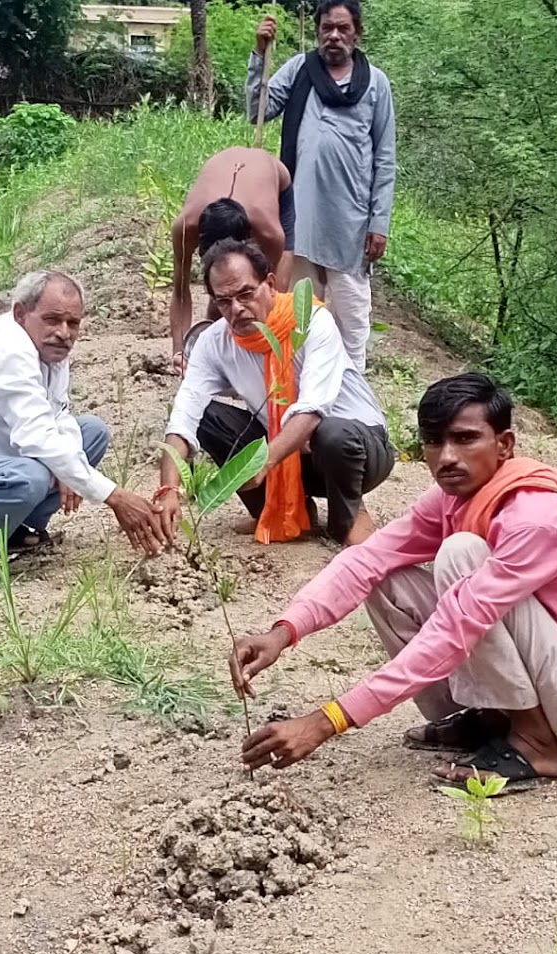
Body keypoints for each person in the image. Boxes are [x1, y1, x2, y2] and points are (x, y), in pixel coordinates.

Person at [230, 373, 557, 789]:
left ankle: (535, 744)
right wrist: (283, 631)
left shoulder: (535, 518)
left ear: (504, 445)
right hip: (552, 678)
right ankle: (492, 720)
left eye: (465, 438)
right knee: (387, 577)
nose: (447, 457)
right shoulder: (456, 499)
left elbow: (454, 629)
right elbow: (366, 560)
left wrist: (327, 721)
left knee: (462, 555)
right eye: (434, 442)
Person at [0, 269, 167, 578]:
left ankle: (11, 528)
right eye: (52, 319)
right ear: (21, 314)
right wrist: (116, 497)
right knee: (30, 475)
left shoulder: (49, 350)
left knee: (90, 434)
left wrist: (70, 462)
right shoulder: (7, 349)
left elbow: (58, 415)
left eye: (73, 323)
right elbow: (36, 436)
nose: (64, 332)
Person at [159, 239, 393, 548]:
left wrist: (261, 465)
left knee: (332, 433)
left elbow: (312, 411)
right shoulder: (213, 342)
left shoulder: (311, 321)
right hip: (289, 452)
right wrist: (169, 490)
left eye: (246, 294)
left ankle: (348, 517)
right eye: (224, 301)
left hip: (359, 453)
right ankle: (274, 508)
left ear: (269, 284)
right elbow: (185, 414)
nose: (237, 309)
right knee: (208, 418)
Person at [247, 0, 396, 372]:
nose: (334, 36)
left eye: (343, 29)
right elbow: (258, 110)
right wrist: (259, 53)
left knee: (351, 326)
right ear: (317, 32)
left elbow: (385, 158)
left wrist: (380, 222)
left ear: (357, 35)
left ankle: (352, 404)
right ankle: (302, 400)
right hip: (299, 223)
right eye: (327, 27)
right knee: (299, 323)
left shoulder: (376, 84)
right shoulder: (299, 70)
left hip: (351, 224)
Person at [170, 146, 295, 372]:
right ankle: (216, 348)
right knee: (224, 296)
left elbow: (271, 291)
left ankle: (264, 357)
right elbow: (180, 291)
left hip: (276, 178)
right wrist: (180, 350)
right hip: (222, 164)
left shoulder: (268, 231)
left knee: (267, 295)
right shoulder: (185, 229)